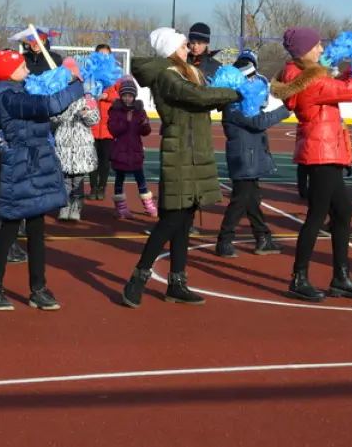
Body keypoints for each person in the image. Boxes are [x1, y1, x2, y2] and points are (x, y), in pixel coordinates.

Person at [120, 27, 240, 308]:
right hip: (180, 152)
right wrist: (234, 93)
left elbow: (202, 95)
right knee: (171, 220)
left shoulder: (183, 71)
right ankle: (138, 278)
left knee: (185, 221)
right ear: (172, 48)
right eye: (184, 45)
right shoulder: (167, 75)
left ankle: (177, 283)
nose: (189, 48)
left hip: (193, 151)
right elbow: (195, 96)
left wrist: (225, 93)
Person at [270, 27, 352, 303]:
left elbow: (338, 87)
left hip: (326, 150)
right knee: (317, 216)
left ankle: (340, 277)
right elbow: (350, 91)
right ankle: (299, 278)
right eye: (316, 46)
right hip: (321, 152)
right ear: (304, 51)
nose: (320, 50)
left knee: (342, 214)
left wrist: (350, 70)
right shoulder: (310, 81)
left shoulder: (304, 76)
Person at [0, 51, 84, 311]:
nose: (27, 71)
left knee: (37, 230)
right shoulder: (7, 97)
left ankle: (38, 288)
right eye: (22, 67)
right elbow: (48, 106)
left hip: (35, 163)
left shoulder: (17, 92)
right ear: (9, 72)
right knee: (9, 229)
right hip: (21, 165)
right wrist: (77, 85)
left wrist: (60, 80)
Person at [216, 51, 289, 258]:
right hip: (243, 159)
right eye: (250, 76)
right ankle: (224, 239)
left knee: (252, 199)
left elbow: (259, 112)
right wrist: (286, 110)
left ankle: (262, 237)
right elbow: (258, 122)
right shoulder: (236, 104)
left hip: (250, 157)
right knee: (241, 200)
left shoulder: (243, 102)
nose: (254, 80)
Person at [107, 76, 156, 219]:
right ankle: (121, 208)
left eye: (130, 96)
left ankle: (148, 206)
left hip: (135, 151)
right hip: (120, 151)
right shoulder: (115, 110)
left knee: (140, 178)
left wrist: (145, 125)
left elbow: (145, 132)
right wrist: (126, 123)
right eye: (124, 95)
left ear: (134, 96)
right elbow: (113, 130)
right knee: (119, 178)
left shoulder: (139, 111)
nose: (127, 98)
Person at [52, 83, 100, 221]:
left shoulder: (87, 99)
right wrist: (65, 111)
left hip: (81, 147)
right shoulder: (61, 99)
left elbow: (95, 120)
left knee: (78, 181)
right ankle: (64, 206)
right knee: (65, 181)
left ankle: (76, 207)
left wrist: (87, 113)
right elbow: (54, 118)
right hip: (64, 146)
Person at [88, 44, 120, 200]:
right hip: (91, 125)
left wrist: (109, 97)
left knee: (105, 160)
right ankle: (93, 187)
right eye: (99, 54)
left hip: (108, 127)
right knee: (91, 160)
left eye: (106, 55)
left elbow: (124, 98)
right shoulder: (89, 74)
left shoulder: (116, 76)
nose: (102, 57)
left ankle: (102, 188)